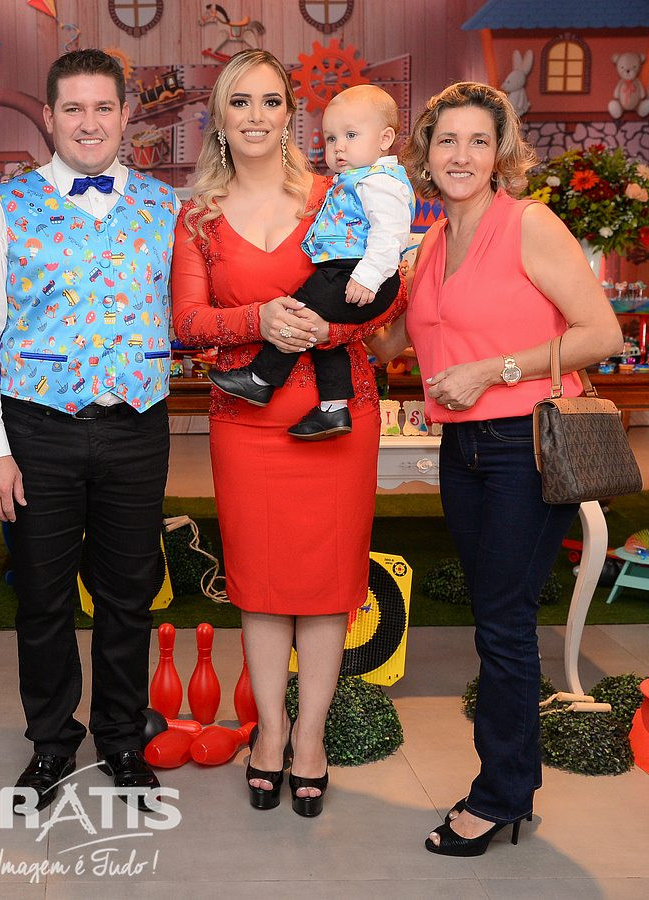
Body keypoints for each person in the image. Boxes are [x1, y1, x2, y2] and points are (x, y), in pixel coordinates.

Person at [366, 82, 622, 856]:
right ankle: (508, 786)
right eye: (446, 140)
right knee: (492, 617)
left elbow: (600, 333)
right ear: (424, 152)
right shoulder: (427, 246)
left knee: (503, 625)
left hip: (526, 444)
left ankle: (500, 796)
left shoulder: (528, 224)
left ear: (499, 153)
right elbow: (387, 346)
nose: (461, 155)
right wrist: (345, 277)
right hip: (462, 451)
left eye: (477, 141)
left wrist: (493, 369)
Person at [171, 49, 403, 816]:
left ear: (289, 115)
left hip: (336, 418)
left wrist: (325, 330)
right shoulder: (197, 217)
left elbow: (386, 292)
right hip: (246, 421)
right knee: (263, 585)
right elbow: (188, 322)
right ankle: (268, 733)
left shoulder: (338, 193)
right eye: (240, 101)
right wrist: (258, 319)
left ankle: (310, 738)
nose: (256, 116)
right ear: (219, 116)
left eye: (270, 101)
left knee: (328, 585)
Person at [0, 49, 177, 813]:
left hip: (136, 427)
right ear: (48, 117)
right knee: (43, 598)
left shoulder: (165, 207)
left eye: (102, 107)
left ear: (125, 115)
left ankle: (120, 738)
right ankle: (51, 741)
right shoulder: (2, 208)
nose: (88, 122)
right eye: (73, 108)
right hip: (36, 429)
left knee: (128, 594)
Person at [208, 84, 413, 440]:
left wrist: (367, 277)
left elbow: (390, 234)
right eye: (331, 138)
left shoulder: (379, 182)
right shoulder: (352, 180)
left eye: (351, 135)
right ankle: (333, 409)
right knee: (323, 335)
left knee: (299, 312)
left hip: (358, 272)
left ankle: (260, 379)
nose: (339, 147)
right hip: (348, 269)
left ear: (385, 139)